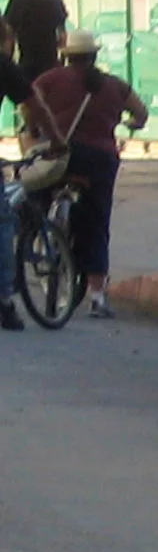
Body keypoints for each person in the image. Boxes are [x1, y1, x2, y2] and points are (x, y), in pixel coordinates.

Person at [30, 29, 147, 319]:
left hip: (58, 155)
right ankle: (97, 297)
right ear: (94, 56)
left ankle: (36, 236)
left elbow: (27, 105)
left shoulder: (50, 79)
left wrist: (34, 130)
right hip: (99, 159)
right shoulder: (114, 85)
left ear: (65, 56)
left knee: (33, 195)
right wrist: (130, 124)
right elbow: (141, 114)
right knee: (97, 221)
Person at [0, 18, 48, 330]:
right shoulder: (4, 66)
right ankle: (4, 300)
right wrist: (52, 139)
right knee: (3, 224)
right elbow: (33, 106)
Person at [5, 0, 68, 84]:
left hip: (26, 63)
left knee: (27, 101)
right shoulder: (54, 0)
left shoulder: (17, 1)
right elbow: (62, 36)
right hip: (50, 63)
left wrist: (8, 63)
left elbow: (9, 37)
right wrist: (62, 62)